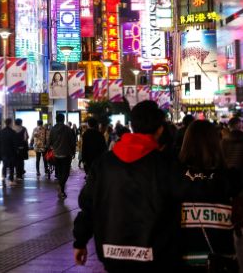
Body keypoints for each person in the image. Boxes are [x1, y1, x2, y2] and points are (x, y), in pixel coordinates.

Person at [73, 101, 183, 272]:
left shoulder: (104, 163)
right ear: (160, 129)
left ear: (132, 125)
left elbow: (88, 205)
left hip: (112, 254)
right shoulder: (166, 164)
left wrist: (80, 241)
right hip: (155, 256)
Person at [177, 121, 243, 270]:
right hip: (221, 258)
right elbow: (239, 216)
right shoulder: (230, 177)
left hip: (185, 257)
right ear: (216, 142)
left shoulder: (175, 176)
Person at [221, 117, 243, 236]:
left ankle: (233, 221)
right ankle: (240, 223)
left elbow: (221, 158)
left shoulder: (223, 141)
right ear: (240, 126)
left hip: (228, 175)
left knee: (232, 200)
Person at [49, 112, 78, 198]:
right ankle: (61, 187)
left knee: (59, 171)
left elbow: (49, 142)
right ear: (63, 119)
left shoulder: (52, 129)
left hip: (56, 154)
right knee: (66, 172)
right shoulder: (67, 129)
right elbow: (72, 142)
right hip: (66, 153)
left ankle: (61, 188)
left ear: (56, 120)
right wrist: (73, 152)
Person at [0, 118, 18, 185]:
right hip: (11, 151)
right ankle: (11, 180)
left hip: (3, 150)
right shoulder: (13, 132)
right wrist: (16, 150)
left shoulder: (1, 132)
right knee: (11, 166)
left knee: (4, 164)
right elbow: (15, 143)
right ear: (10, 123)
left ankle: (3, 176)